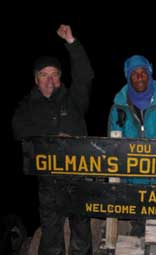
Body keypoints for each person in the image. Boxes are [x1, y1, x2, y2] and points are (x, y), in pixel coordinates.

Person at [12, 24, 94, 255]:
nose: (49, 80)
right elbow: (18, 129)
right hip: (48, 181)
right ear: (36, 79)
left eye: (54, 74)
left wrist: (72, 42)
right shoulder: (27, 106)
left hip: (79, 174)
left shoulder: (74, 100)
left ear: (60, 78)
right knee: (51, 230)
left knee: (81, 226)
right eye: (43, 75)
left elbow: (85, 75)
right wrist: (52, 139)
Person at [107, 55, 156, 236]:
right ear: (128, 77)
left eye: (143, 73)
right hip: (135, 187)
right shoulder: (118, 109)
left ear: (149, 74)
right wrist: (122, 183)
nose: (139, 77)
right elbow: (113, 149)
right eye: (134, 74)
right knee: (138, 237)